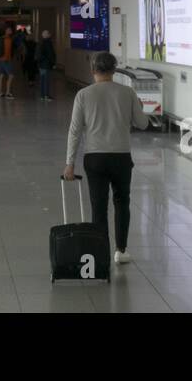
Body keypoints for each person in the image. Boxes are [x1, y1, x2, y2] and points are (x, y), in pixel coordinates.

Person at [63, 51, 148, 265]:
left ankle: (99, 253)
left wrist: (69, 163)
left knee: (98, 205)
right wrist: (140, 107)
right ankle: (121, 250)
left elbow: (75, 131)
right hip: (121, 157)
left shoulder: (83, 95)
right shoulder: (127, 92)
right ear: (114, 69)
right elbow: (143, 124)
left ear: (93, 70)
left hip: (95, 158)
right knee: (122, 202)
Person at [0, 22, 16, 98]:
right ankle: (8, 93)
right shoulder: (7, 39)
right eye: (10, 29)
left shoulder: (0, 38)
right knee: (11, 76)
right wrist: (8, 59)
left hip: (0, 59)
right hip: (6, 60)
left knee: (1, 75)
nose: (11, 31)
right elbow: (8, 51)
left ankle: (1, 92)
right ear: (6, 30)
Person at [36, 30, 57, 101]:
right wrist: (53, 63)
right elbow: (50, 54)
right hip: (46, 64)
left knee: (42, 80)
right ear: (47, 35)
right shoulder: (48, 43)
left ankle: (42, 95)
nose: (50, 34)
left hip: (41, 65)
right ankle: (46, 95)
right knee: (46, 81)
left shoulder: (40, 42)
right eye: (49, 33)